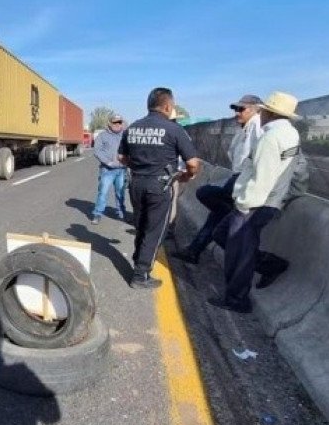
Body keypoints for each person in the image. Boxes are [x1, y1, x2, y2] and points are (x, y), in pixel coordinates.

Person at [207, 91, 302, 313]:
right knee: (228, 239)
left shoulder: (270, 138)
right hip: (267, 203)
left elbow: (262, 177)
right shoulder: (289, 134)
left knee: (238, 254)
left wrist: (244, 205)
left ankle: (237, 300)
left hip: (253, 204)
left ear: (268, 112)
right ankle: (268, 265)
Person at [118, 87, 201, 289]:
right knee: (155, 230)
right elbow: (193, 163)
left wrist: (139, 168)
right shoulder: (174, 130)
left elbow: (121, 158)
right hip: (160, 185)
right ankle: (140, 274)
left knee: (141, 224)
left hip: (136, 184)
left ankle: (139, 258)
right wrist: (186, 176)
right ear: (167, 106)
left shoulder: (133, 128)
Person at [174, 95, 263, 263]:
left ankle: (267, 263)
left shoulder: (258, 127)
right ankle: (194, 251)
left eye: (241, 109)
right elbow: (234, 154)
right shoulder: (245, 128)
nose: (237, 113)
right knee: (216, 213)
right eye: (236, 109)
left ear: (255, 109)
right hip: (237, 179)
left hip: (245, 182)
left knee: (206, 195)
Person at [90, 114, 127, 225]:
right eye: (115, 122)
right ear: (110, 123)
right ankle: (97, 214)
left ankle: (121, 212)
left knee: (120, 193)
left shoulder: (125, 135)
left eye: (119, 122)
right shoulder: (103, 135)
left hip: (121, 169)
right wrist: (107, 162)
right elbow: (97, 151)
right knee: (103, 192)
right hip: (107, 170)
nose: (117, 124)